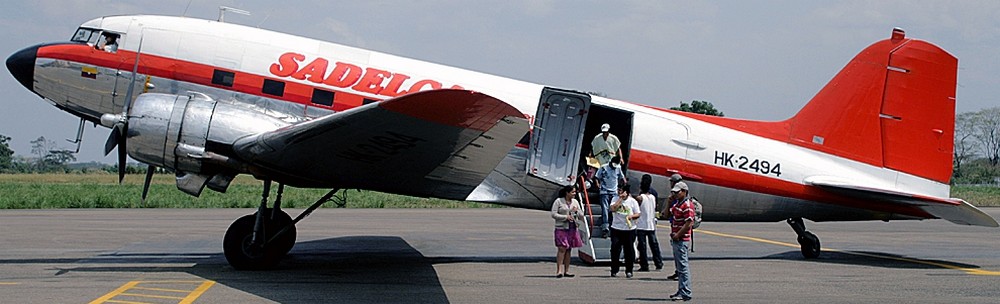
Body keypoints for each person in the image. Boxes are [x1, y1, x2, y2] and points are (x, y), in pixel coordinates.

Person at [668, 181, 695, 301]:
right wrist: (669, 200)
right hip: (676, 239)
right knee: (679, 268)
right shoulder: (678, 204)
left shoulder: (687, 206)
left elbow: (689, 223)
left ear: (684, 192)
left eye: (677, 192)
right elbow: (666, 213)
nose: (675, 194)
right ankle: (681, 290)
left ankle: (686, 292)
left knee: (683, 267)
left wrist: (678, 235)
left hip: (681, 239)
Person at [550, 185, 585, 278]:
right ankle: (559, 270)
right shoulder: (558, 201)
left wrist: (577, 211)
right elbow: (553, 214)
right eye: (573, 192)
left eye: (575, 192)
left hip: (572, 228)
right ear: (567, 192)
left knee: (569, 249)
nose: (574, 194)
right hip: (561, 227)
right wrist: (565, 217)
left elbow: (581, 215)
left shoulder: (575, 202)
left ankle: (567, 270)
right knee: (562, 248)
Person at [609, 184, 640, 278]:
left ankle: (629, 270)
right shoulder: (615, 199)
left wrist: (631, 217)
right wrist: (620, 199)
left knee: (629, 250)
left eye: (621, 191)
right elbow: (613, 209)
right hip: (616, 228)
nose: (619, 192)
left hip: (629, 229)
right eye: (618, 190)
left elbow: (638, 214)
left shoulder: (633, 201)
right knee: (615, 249)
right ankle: (614, 269)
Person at [635, 175, 663, 271]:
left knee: (642, 246)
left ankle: (644, 264)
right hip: (651, 224)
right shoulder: (653, 196)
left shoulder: (640, 198)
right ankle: (658, 262)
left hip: (641, 224)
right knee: (654, 245)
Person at [594, 155, 626, 237]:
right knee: (605, 209)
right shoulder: (604, 167)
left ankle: (612, 225)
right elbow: (597, 177)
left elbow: (622, 178)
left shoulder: (618, 168)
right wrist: (598, 185)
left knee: (613, 209)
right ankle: (605, 227)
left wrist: (624, 187)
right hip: (604, 191)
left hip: (614, 192)